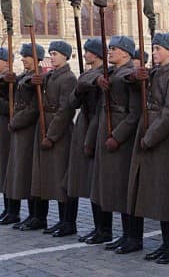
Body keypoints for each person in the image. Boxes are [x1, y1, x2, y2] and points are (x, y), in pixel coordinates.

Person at [127, 32, 169, 264]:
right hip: (157, 142)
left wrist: (150, 136)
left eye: (158, 49)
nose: (154, 53)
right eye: (153, 49)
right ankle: (166, 243)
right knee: (163, 196)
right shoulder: (156, 73)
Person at [89, 36, 141, 253]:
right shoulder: (109, 73)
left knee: (126, 189)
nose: (109, 52)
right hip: (106, 134)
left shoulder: (129, 73)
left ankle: (134, 237)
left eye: (114, 49)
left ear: (126, 54)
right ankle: (125, 234)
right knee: (116, 189)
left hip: (123, 140)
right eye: (109, 48)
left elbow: (135, 112)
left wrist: (118, 136)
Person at [53, 38, 104, 238]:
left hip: (94, 124)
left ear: (96, 54)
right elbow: (73, 102)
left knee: (95, 180)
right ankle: (76, 224)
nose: (84, 54)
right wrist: (80, 88)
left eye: (88, 51)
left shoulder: (103, 74)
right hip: (82, 125)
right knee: (77, 179)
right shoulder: (85, 75)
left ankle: (103, 228)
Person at [29, 41, 77, 235]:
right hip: (46, 126)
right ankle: (59, 220)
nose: (52, 56)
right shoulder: (51, 75)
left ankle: (68, 222)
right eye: (50, 53)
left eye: (56, 53)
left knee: (62, 178)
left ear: (65, 56)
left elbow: (66, 110)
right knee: (51, 177)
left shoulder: (68, 78)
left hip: (60, 132)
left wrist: (52, 135)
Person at [3, 44, 45, 230]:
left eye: (27, 56)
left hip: (28, 130)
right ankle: (26, 214)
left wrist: (15, 121)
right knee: (21, 172)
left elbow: (35, 108)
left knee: (31, 174)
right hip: (20, 131)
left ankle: (37, 216)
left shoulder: (39, 78)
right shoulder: (24, 76)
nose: (24, 59)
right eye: (23, 56)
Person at [0, 47, 13, 223]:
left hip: (7, 126)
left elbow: (10, 107)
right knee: (2, 170)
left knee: (8, 169)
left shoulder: (10, 80)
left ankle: (13, 209)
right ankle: (7, 207)